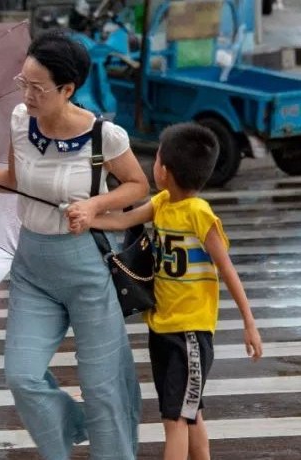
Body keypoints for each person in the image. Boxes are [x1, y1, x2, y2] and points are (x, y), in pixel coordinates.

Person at [0, 30, 147, 460]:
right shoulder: (21, 122)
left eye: (37, 87)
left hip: (86, 270)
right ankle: (81, 427)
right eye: (22, 82)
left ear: (67, 89)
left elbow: (137, 185)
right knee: (22, 376)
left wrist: (95, 204)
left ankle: (110, 444)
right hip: (32, 269)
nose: (26, 93)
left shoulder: (105, 137)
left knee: (102, 385)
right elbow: (13, 181)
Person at [76, 123, 264, 460]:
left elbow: (227, 269)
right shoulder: (163, 203)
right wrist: (85, 217)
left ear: (165, 170)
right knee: (190, 414)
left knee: (174, 418)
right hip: (162, 327)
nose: (153, 164)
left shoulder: (199, 214)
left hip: (190, 333)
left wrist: (249, 323)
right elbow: (122, 221)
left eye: (157, 157)